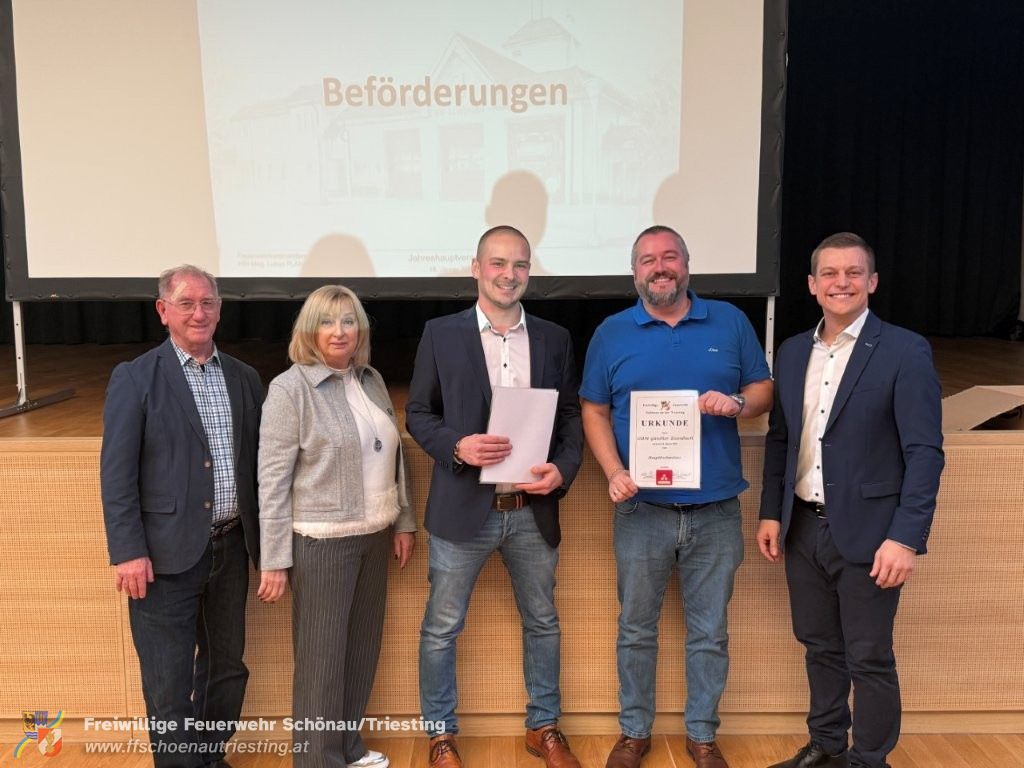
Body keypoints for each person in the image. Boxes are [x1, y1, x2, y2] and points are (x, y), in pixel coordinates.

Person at [580, 225, 773, 768]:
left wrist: (738, 404)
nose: (659, 267)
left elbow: (763, 390)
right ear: (634, 272)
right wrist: (613, 470)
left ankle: (703, 735)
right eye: (648, 260)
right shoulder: (611, 333)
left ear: (687, 265)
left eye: (670, 257)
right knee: (635, 629)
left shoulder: (730, 322)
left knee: (710, 632)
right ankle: (634, 732)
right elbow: (593, 408)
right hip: (641, 510)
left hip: (716, 510)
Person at [757, 232, 944, 768]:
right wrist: (771, 512)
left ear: (872, 282)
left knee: (869, 657)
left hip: (872, 533)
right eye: (830, 274)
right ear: (812, 285)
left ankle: (869, 759)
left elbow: (925, 453)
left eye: (854, 272)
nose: (842, 283)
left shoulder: (905, 350)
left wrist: (905, 537)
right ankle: (827, 745)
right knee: (819, 646)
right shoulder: (793, 351)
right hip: (802, 529)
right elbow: (781, 439)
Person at [406, 225, 584, 768]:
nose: (510, 275)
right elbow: (419, 413)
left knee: (543, 622)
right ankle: (440, 735)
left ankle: (543, 726)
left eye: (520, 264)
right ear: (476, 268)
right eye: (499, 263)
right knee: (442, 627)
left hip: (532, 510)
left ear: (530, 271)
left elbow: (570, 416)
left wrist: (562, 470)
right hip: (463, 510)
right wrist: (457, 446)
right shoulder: (440, 333)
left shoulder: (554, 338)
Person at [101, 265, 263, 768]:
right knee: (168, 685)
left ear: (220, 308)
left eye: (208, 302)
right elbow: (117, 475)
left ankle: (209, 759)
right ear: (163, 310)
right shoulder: (135, 378)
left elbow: (259, 467)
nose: (199, 313)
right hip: (162, 556)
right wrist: (128, 551)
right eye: (186, 303)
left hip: (231, 549)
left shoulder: (245, 378)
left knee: (226, 671)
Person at [257, 285, 416, 768]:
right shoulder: (290, 390)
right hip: (322, 542)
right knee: (322, 662)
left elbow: (393, 456)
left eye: (349, 321)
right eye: (327, 321)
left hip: (373, 534)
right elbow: (272, 480)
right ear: (309, 331)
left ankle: (347, 749)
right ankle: (316, 759)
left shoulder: (371, 379)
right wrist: (274, 559)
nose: (339, 331)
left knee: (361, 651)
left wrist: (404, 520)